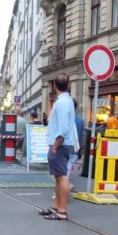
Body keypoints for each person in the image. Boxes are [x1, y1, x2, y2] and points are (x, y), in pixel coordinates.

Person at [39, 74, 75, 221]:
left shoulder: (62, 103)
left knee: (62, 177)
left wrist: (55, 146)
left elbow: (64, 128)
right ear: (68, 85)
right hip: (62, 144)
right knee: (58, 177)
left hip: (60, 145)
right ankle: (56, 207)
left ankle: (62, 211)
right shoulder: (66, 101)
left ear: (54, 85)